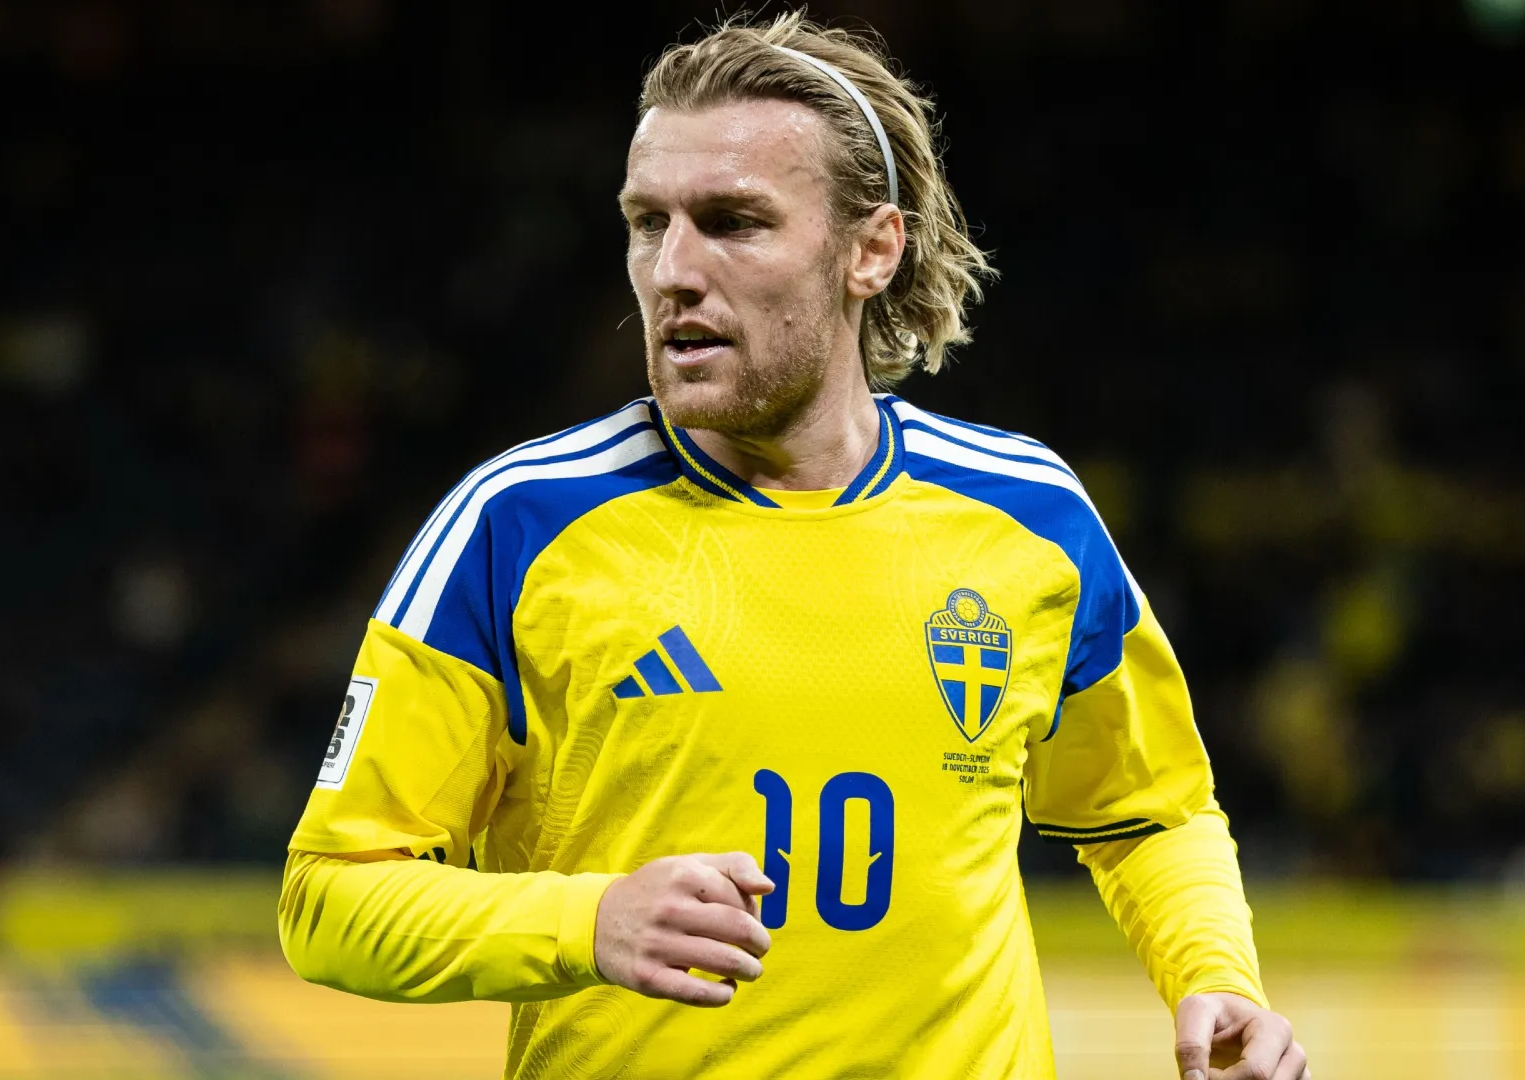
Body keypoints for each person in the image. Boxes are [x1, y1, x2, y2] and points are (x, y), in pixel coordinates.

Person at [280, 12, 1309, 1079]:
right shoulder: (517, 525)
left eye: (732, 221)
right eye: (648, 223)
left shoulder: (1028, 516)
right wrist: (587, 921)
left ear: (871, 250)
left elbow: (1151, 813)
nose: (673, 270)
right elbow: (329, 899)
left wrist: (1215, 975)